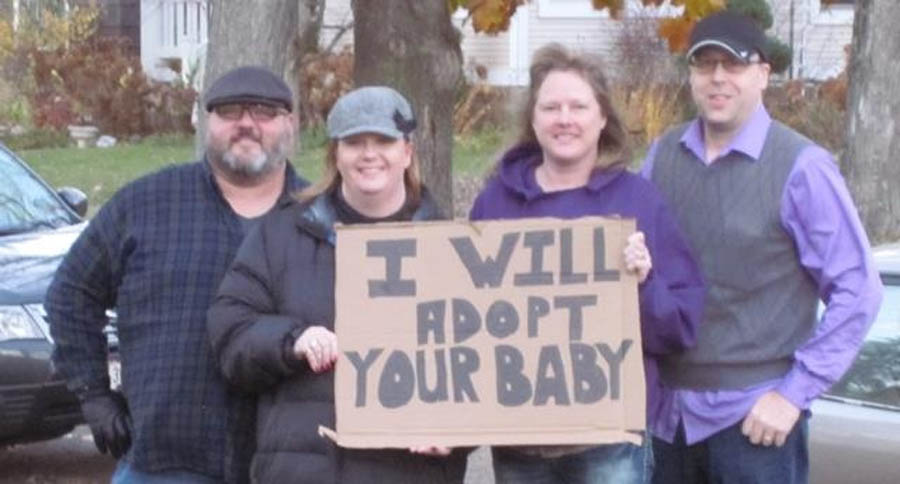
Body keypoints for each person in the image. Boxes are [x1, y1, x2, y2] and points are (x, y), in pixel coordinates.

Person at [641, 11, 884, 484]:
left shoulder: (802, 169)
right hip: (669, 422)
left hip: (755, 423)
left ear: (763, 74)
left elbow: (859, 290)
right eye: (704, 64)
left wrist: (794, 394)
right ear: (690, 75)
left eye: (732, 65)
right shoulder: (661, 157)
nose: (717, 78)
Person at [45, 65, 309, 483]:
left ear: (290, 124)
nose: (245, 124)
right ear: (207, 123)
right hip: (161, 461)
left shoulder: (317, 221)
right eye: (229, 112)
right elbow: (70, 294)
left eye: (263, 112)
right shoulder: (146, 204)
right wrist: (92, 392)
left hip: (285, 466)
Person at [468, 43, 705, 483]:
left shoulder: (639, 202)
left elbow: (679, 328)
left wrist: (645, 282)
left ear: (602, 118)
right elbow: (464, 322)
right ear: (533, 119)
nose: (564, 119)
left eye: (578, 106)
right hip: (520, 440)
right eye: (551, 107)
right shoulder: (495, 202)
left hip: (609, 440)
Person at [206, 86, 468, 484]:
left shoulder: (452, 246)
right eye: (354, 142)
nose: (368, 154)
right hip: (305, 471)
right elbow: (231, 331)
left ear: (407, 152)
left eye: (383, 140)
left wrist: (456, 434)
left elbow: (483, 362)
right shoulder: (281, 235)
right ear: (336, 154)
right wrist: (292, 340)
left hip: (409, 472)